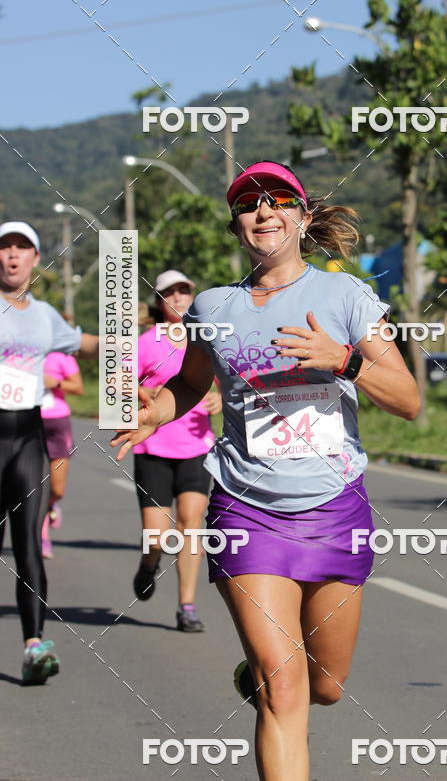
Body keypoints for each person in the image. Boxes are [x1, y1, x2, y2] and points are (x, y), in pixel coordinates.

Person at [112, 162, 420, 781]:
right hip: (245, 509)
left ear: (303, 217)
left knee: (325, 686)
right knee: (283, 686)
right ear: (236, 227)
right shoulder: (213, 306)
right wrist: (156, 413)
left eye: (278, 199)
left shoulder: (345, 295)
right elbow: (190, 383)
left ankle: (262, 673)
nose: (263, 211)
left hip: (334, 509)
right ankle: (267, 673)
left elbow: (408, 400)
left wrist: (344, 361)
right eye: (248, 204)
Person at [0, 221, 99, 685]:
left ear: (36, 259)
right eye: (5, 247)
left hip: (27, 439)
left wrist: (130, 338)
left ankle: (34, 647)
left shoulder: (44, 316)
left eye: (22, 248)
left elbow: (85, 344)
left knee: (28, 547)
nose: (12, 255)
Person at [132, 270, 221, 632]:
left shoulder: (206, 338)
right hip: (153, 447)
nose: (179, 297)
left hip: (196, 447)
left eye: (184, 291)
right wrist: (146, 396)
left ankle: (187, 606)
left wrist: (218, 398)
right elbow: (117, 386)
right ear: (159, 301)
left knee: (190, 524)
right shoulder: (146, 342)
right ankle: (149, 563)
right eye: (170, 292)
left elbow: (226, 380)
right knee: (157, 535)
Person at [40, 351, 84, 559]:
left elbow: (78, 387)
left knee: (57, 489)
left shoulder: (61, 355)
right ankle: (42, 536)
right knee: (35, 488)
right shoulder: (19, 352)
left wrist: (55, 382)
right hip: (29, 423)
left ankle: (52, 504)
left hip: (57, 424)